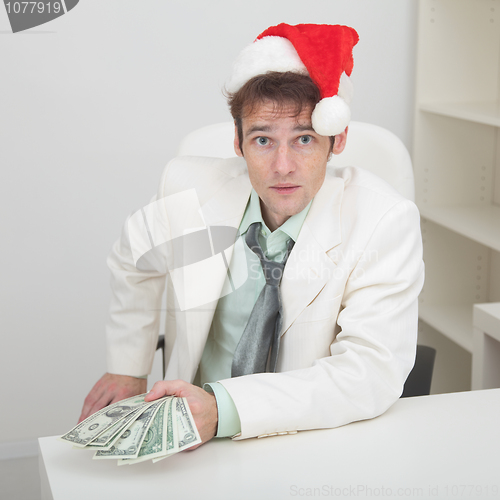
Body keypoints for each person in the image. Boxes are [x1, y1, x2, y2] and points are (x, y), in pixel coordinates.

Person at [79, 23, 424, 448]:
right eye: (263, 139)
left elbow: (369, 373)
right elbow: (135, 258)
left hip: (303, 435)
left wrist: (224, 409)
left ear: (337, 140)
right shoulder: (188, 187)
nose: (282, 166)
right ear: (238, 143)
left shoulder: (384, 220)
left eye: (303, 139)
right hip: (191, 437)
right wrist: (128, 365)